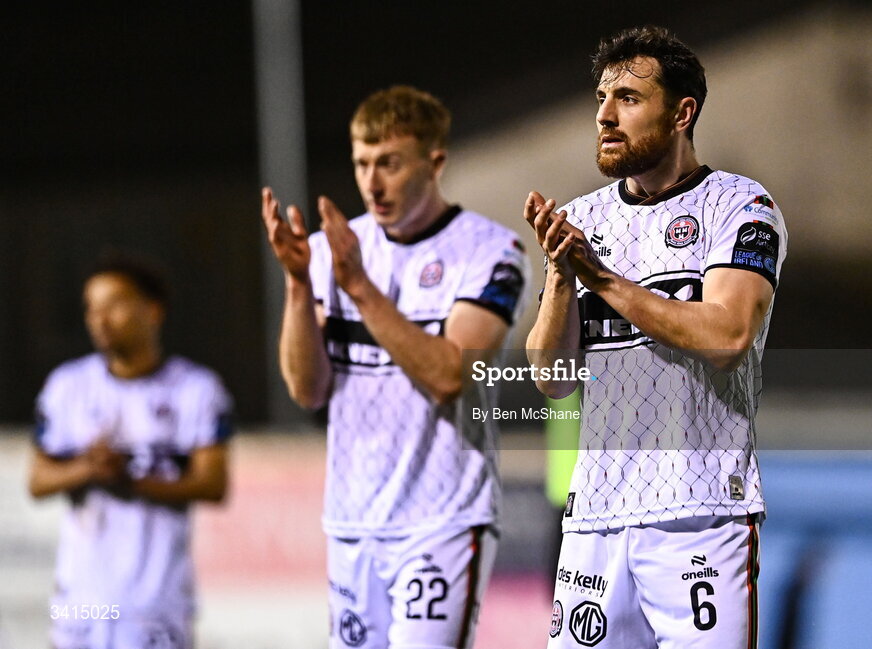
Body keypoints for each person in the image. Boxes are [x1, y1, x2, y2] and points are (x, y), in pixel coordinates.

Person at [525, 26, 788, 649]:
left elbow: (727, 334)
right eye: (601, 98)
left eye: (629, 99)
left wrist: (603, 278)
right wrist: (563, 278)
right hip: (594, 521)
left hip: (701, 518)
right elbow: (552, 380)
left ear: (681, 113)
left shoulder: (739, 207)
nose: (605, 116)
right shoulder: (584, 220)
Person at [261, 85, 527, 649]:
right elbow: (307, 389)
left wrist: (357, 286)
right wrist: (296, 283)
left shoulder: (490, 251)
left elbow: (450, 376)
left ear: (434, 162)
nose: (372, 182)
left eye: (389, 163)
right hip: (353, 523)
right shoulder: (331, 251)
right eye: (362, 163)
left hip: (443, 522)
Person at [29, 254, 233, 649]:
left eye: (114, 305)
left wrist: (132, 479)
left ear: (153, 311)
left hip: (155, 604)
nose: (100, 319)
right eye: (92, 308)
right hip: (81, 601)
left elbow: (213, 483)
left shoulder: (195, 389)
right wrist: (89, 468)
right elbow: (38, 480)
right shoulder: (67, 386)